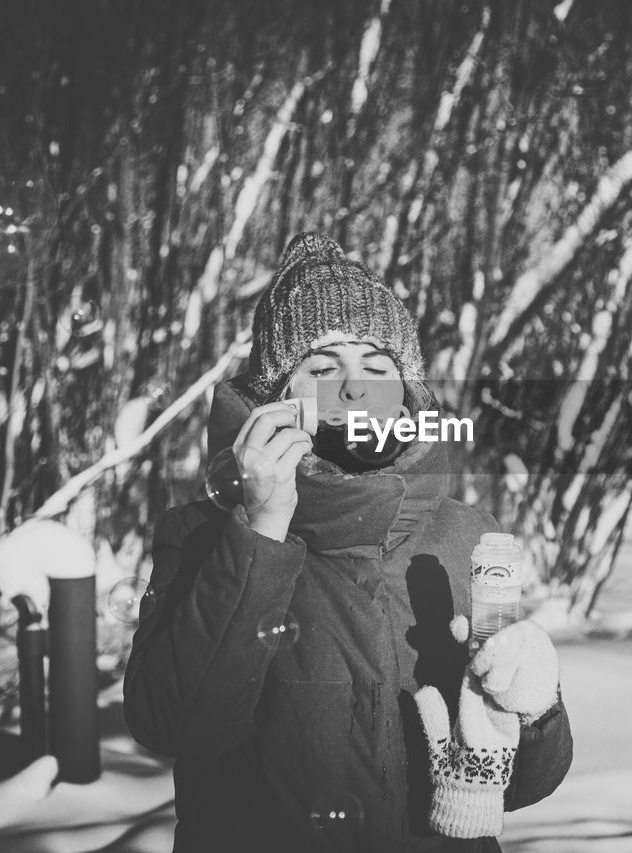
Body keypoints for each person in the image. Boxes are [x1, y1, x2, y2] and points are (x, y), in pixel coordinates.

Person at [124, 233, 572, 852]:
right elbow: (174, 721)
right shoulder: (202, 534)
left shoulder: (468, 537)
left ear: (408, 392)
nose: (355, 387)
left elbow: (517, 786)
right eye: (323, 367)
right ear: (279, 397)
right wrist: (260, 530)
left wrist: (535, 710)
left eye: (378, 366)